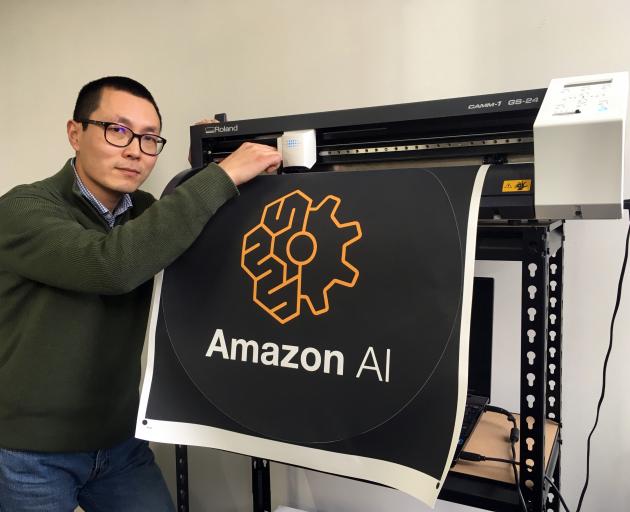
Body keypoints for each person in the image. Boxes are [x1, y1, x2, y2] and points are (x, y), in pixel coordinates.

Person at [0, 76, 281, 511]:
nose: (135, 150)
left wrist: (204, 173)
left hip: (119, 444)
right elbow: (110, 265)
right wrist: (216, 179)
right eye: (118, 130)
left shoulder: (149, 215)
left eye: (150, 139)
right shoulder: (23, 210)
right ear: (75, 132)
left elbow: (200, 252)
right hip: (27, 452)